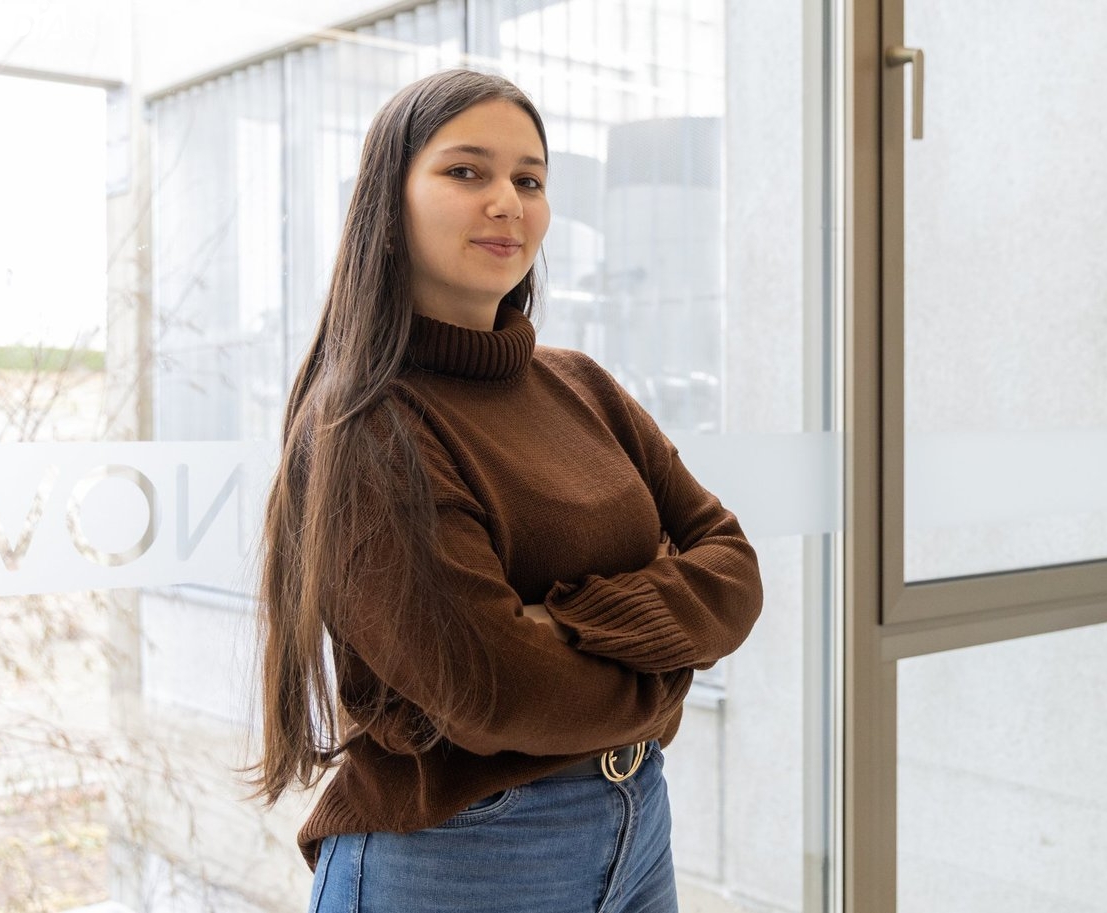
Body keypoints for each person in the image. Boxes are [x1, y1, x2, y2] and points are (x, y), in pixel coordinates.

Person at [247, 68, 762, 913]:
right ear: (390, 200)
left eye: (529, 179)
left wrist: (560, 622)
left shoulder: (583, 386)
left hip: (635, 818)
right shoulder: (368, 427)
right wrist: (666, 671)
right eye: (466, 172)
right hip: (462, 854)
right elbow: (488, 686)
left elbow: (734, 570)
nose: (507, 202)